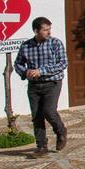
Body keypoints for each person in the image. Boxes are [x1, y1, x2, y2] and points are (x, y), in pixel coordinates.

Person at [14, 17, 68, 156]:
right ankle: (41, 146)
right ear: (36, 30)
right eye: (45, 30)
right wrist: (26, 72)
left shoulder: (55, 43)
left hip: (52, 83)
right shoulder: (26, 46)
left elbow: (63, 63)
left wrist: (41, 71)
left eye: (49, 29)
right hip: (34, 86)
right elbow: (18, 63)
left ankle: (61, 131)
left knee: (49, 111)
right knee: (36, 116)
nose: (49, 32)